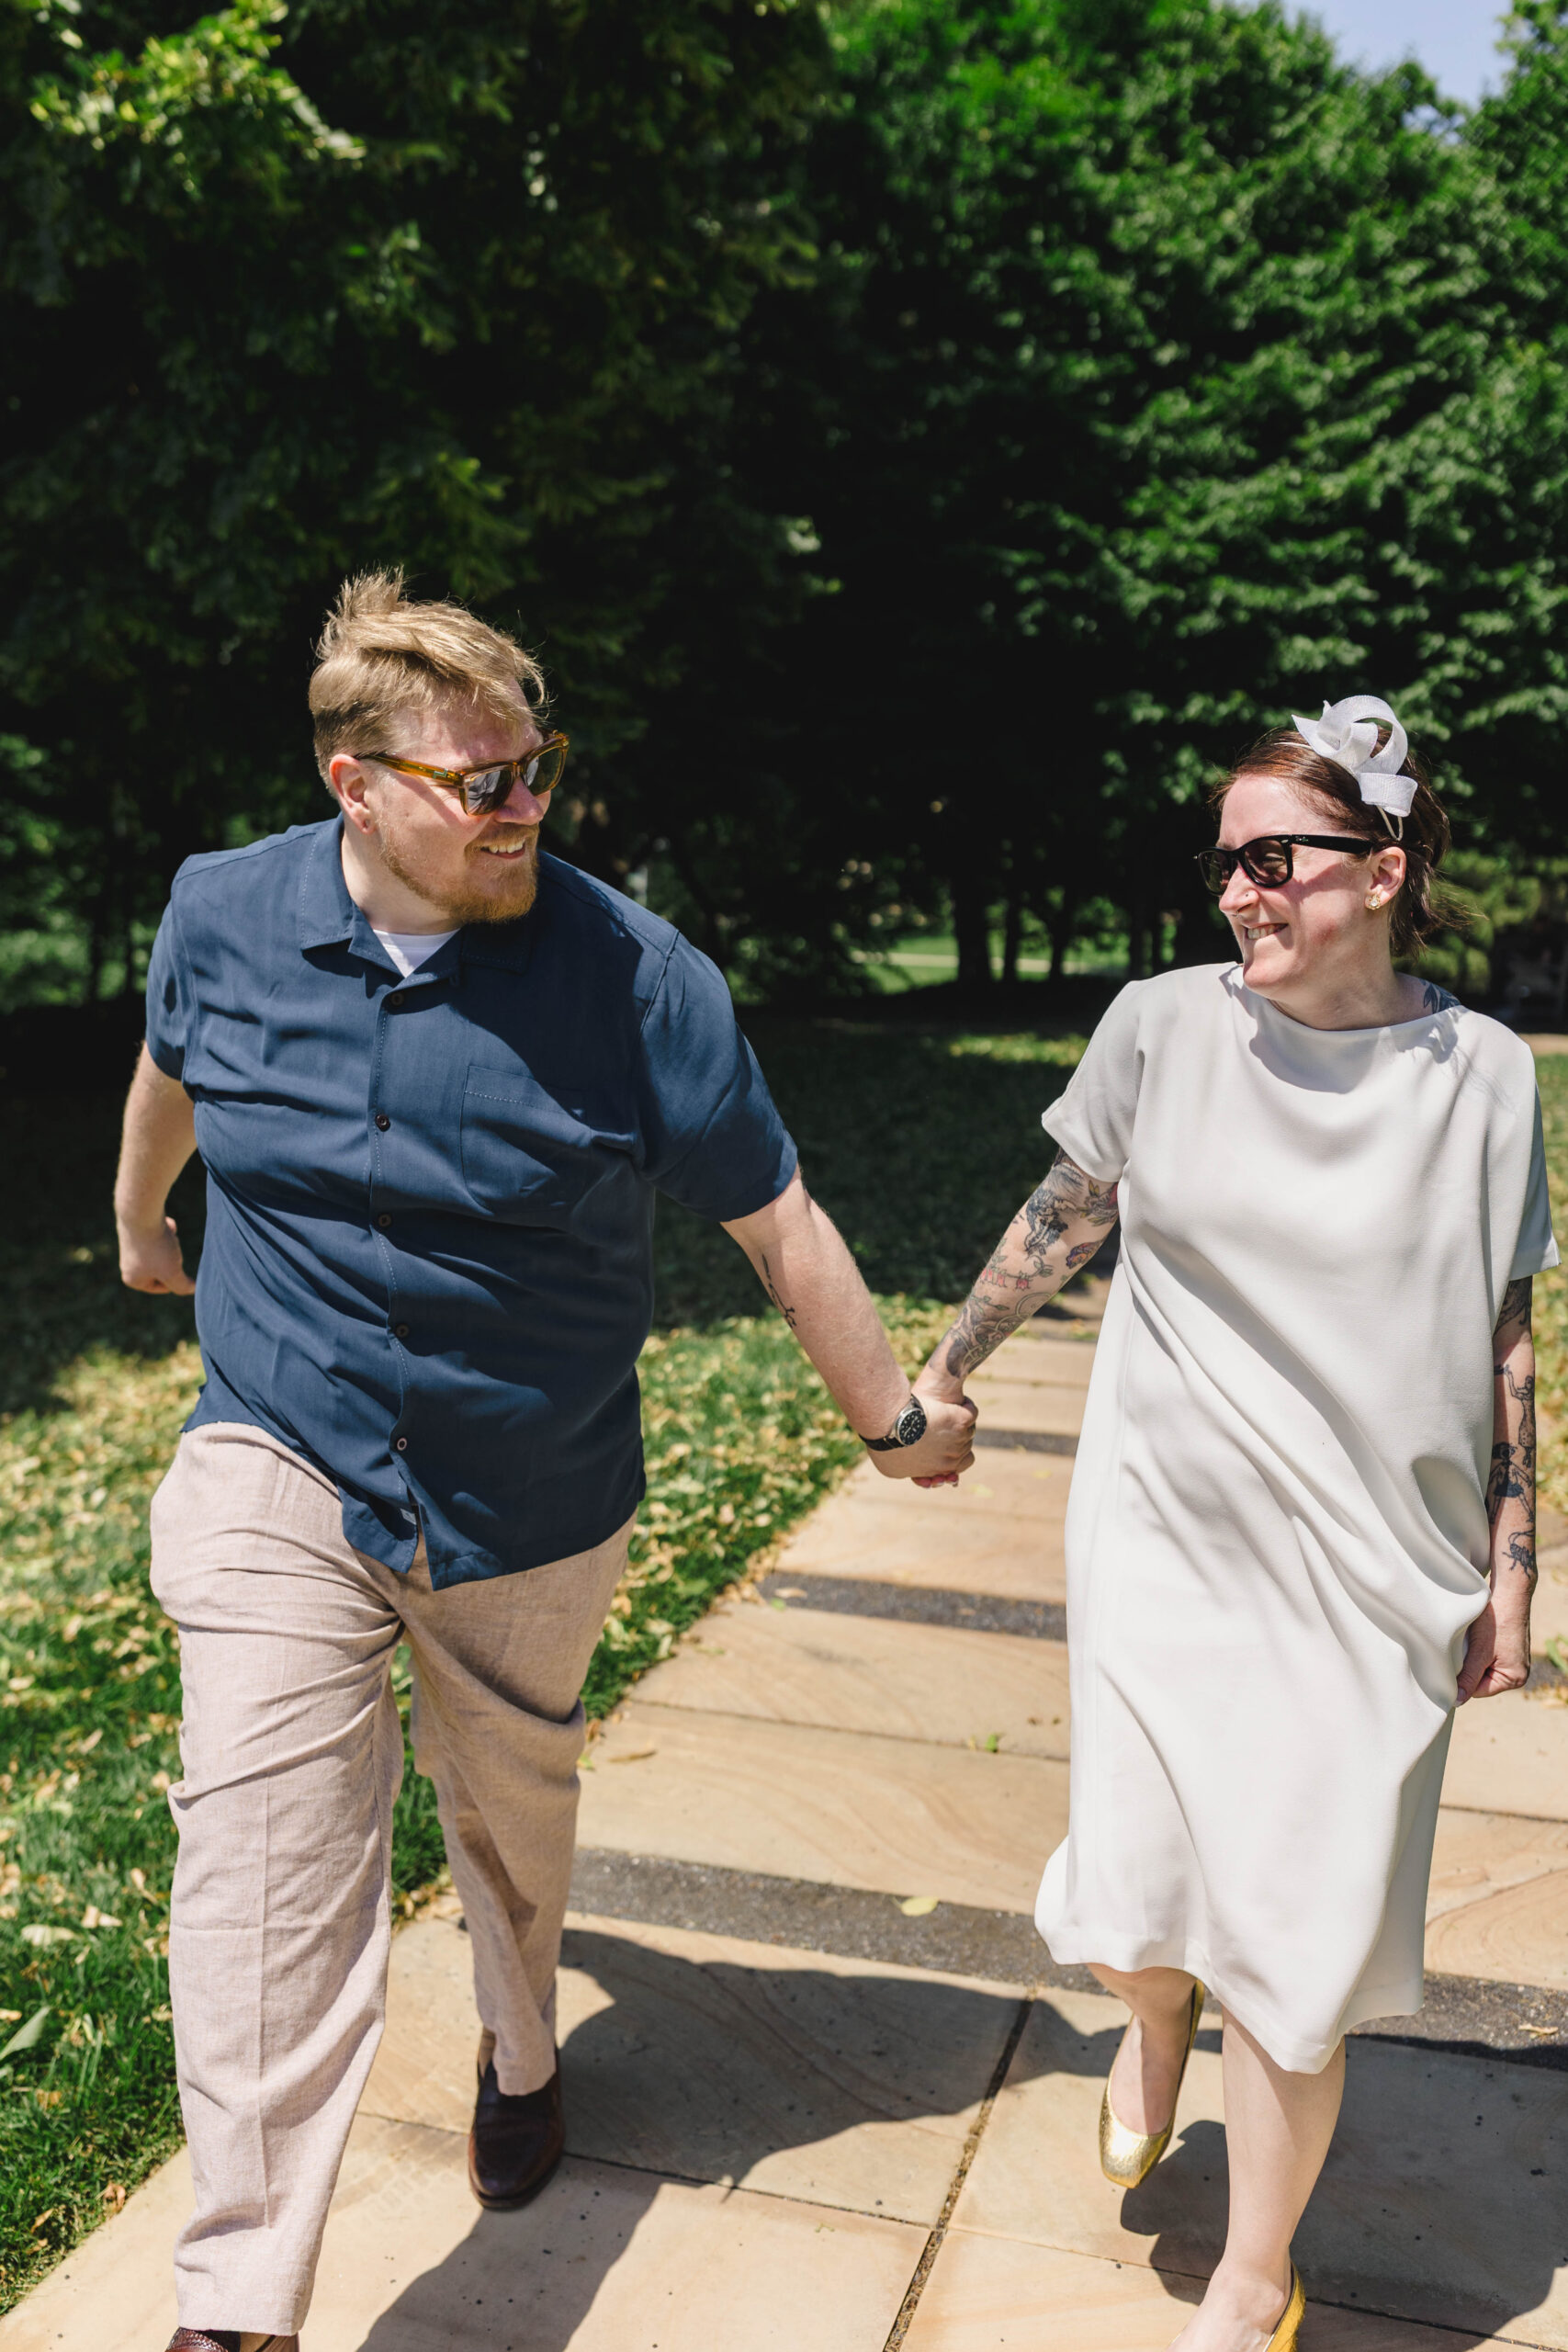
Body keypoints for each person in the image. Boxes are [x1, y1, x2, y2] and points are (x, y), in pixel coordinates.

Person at [115, 571, 977, 2352]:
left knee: (510, 1814)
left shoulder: (631, 975)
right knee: (263, 1852)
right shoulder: (224, 908)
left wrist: (891, 1420)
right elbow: (167, 1061)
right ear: (355, 784)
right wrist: (141, 1223)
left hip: (527, 1491)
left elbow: (778, 1220)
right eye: (477, 780)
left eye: (535, 770)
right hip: (278, 1448)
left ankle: (524, 2042)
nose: (521, 808)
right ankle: (238, 2303)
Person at [912, 696, 1556, 2352]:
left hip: (1371, 1572)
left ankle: (1257, 2274)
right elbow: (1064, 1217)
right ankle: (1147, 2029)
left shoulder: (1482, 1074)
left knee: (1306, 1925)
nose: (1240, 895)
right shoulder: (1161, 1026)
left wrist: (1516, 1566)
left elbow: (1504, 1329)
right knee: (1145, 1881)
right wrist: (944, 1370)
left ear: (1386, 868)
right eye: (1225, 867)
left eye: (1274, 858)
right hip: (1166, 1536)